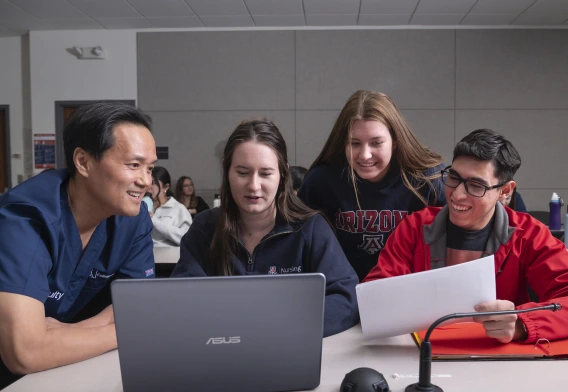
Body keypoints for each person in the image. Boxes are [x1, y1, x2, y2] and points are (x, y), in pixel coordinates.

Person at [0, 102, 157, 388]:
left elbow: (137, 306)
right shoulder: (26, 218)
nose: (146, 181)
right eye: (134, 165)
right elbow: (23, 352)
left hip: (66, 365)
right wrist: (128, 332)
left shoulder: (132, 218)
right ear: (83, 162)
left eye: (150, 168)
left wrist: (64, 335)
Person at [365, 129, 568, 343]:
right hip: (419, 353)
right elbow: (374, 297)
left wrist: (521, 323)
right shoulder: (414, 228)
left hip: (497, 358)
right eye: (453, 177)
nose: (457, 194)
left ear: (505, 191)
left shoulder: (529, 235)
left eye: (476, 185)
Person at [172, 119, 359, 337]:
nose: (253, 185)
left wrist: (281, 327)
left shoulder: (311, 229)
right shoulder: (205, 229)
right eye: (242, 172)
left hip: (290, 354)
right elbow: (182, 298)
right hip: (222, 353)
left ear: (283, 174)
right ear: (226, 170)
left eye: (266, 173)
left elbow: (347, 298)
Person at [298, 90, 446, 281]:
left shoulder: (429, 178)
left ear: (395, 141)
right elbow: (298, 244)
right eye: (355, 143)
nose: (365, 155)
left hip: (410, 293)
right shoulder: (321, 180)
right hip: (343, 294)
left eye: (376, 143)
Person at [150, 166, 192, 247]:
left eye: (153, 183)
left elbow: (187, 239)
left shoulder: (178, 209)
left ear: (166, 187)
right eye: (147, 182)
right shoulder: (141, 207)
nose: (149, 187)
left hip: (168, 258)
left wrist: (155, 221)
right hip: (144, 257)